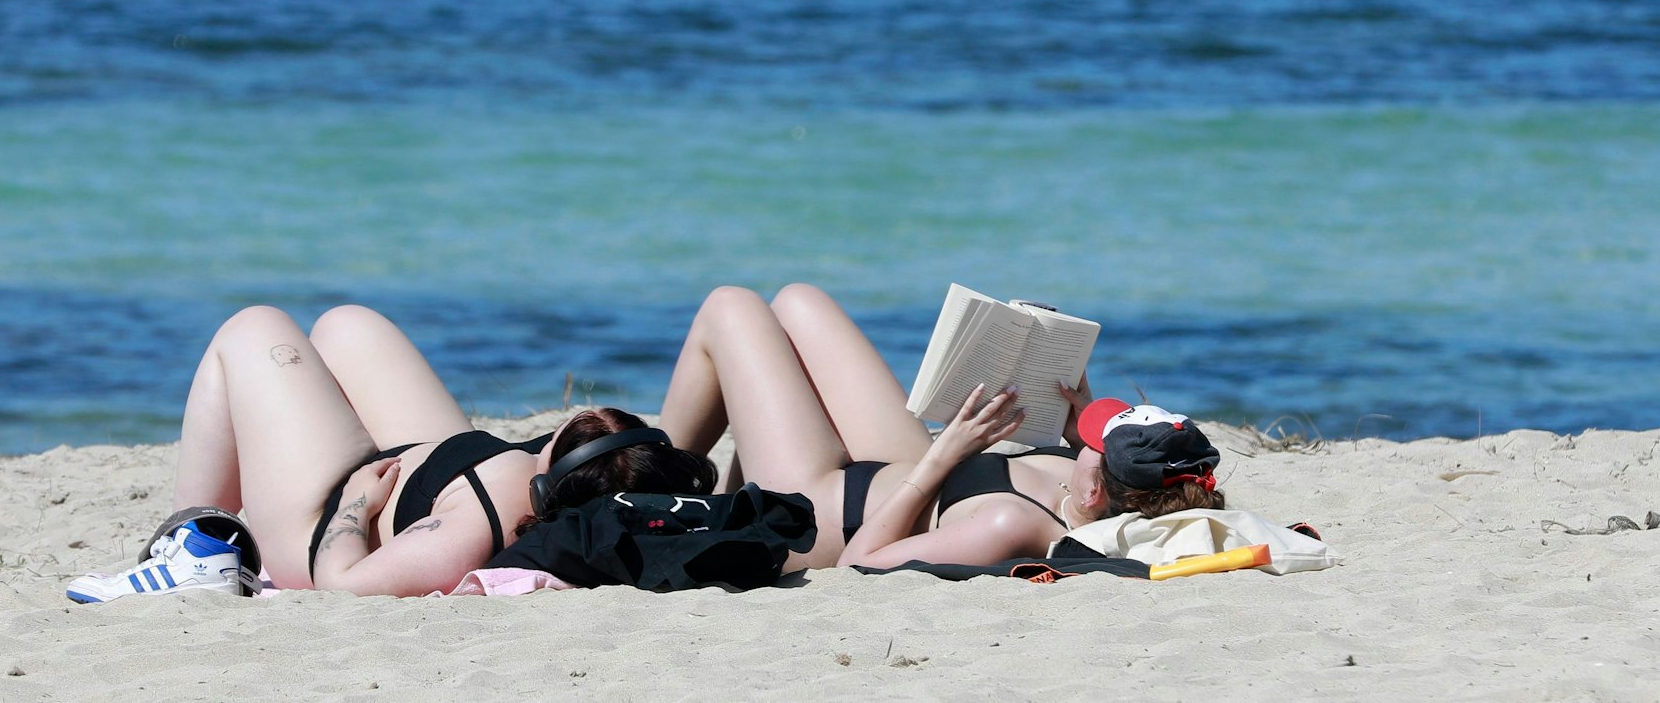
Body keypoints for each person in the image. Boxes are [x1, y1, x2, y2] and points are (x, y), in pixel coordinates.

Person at [67, 304, 714, 602]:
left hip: (322, 517)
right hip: (433, 464)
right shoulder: (575, 476)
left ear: (553, 484)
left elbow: (343, 582)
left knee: (252, 329)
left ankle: (196, 546)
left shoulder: (465, 528)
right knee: (349, 325)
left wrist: (355, 505)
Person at [657, 283, 1222, 572]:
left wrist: (942, 454)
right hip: (893, 466)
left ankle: (646, 482)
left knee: (730, 307)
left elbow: (861, 566)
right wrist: (1072, 422)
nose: (1085, 436)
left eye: (1095, 444)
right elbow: (1096, 469)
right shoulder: (1088, 486)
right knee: (798, 301)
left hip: (820, 512)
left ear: (1097, 488)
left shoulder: (1008, 522)